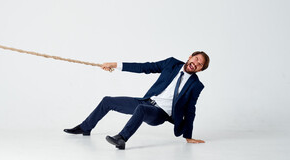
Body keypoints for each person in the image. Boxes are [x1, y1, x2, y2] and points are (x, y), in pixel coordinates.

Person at [64, 51, 210, 150]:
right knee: (107, 101)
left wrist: (188, 135)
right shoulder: (171, 63)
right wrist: (115, 65)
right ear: (190, 56)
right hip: (146, 102)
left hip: (160, 114)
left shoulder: (196, 85)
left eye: (200, 65)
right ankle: (85, 127)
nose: (196, 63)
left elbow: (191, 110)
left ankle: (121, 139)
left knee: (141, 110)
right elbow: (144, 67)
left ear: (199, 70)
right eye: (196, 59)